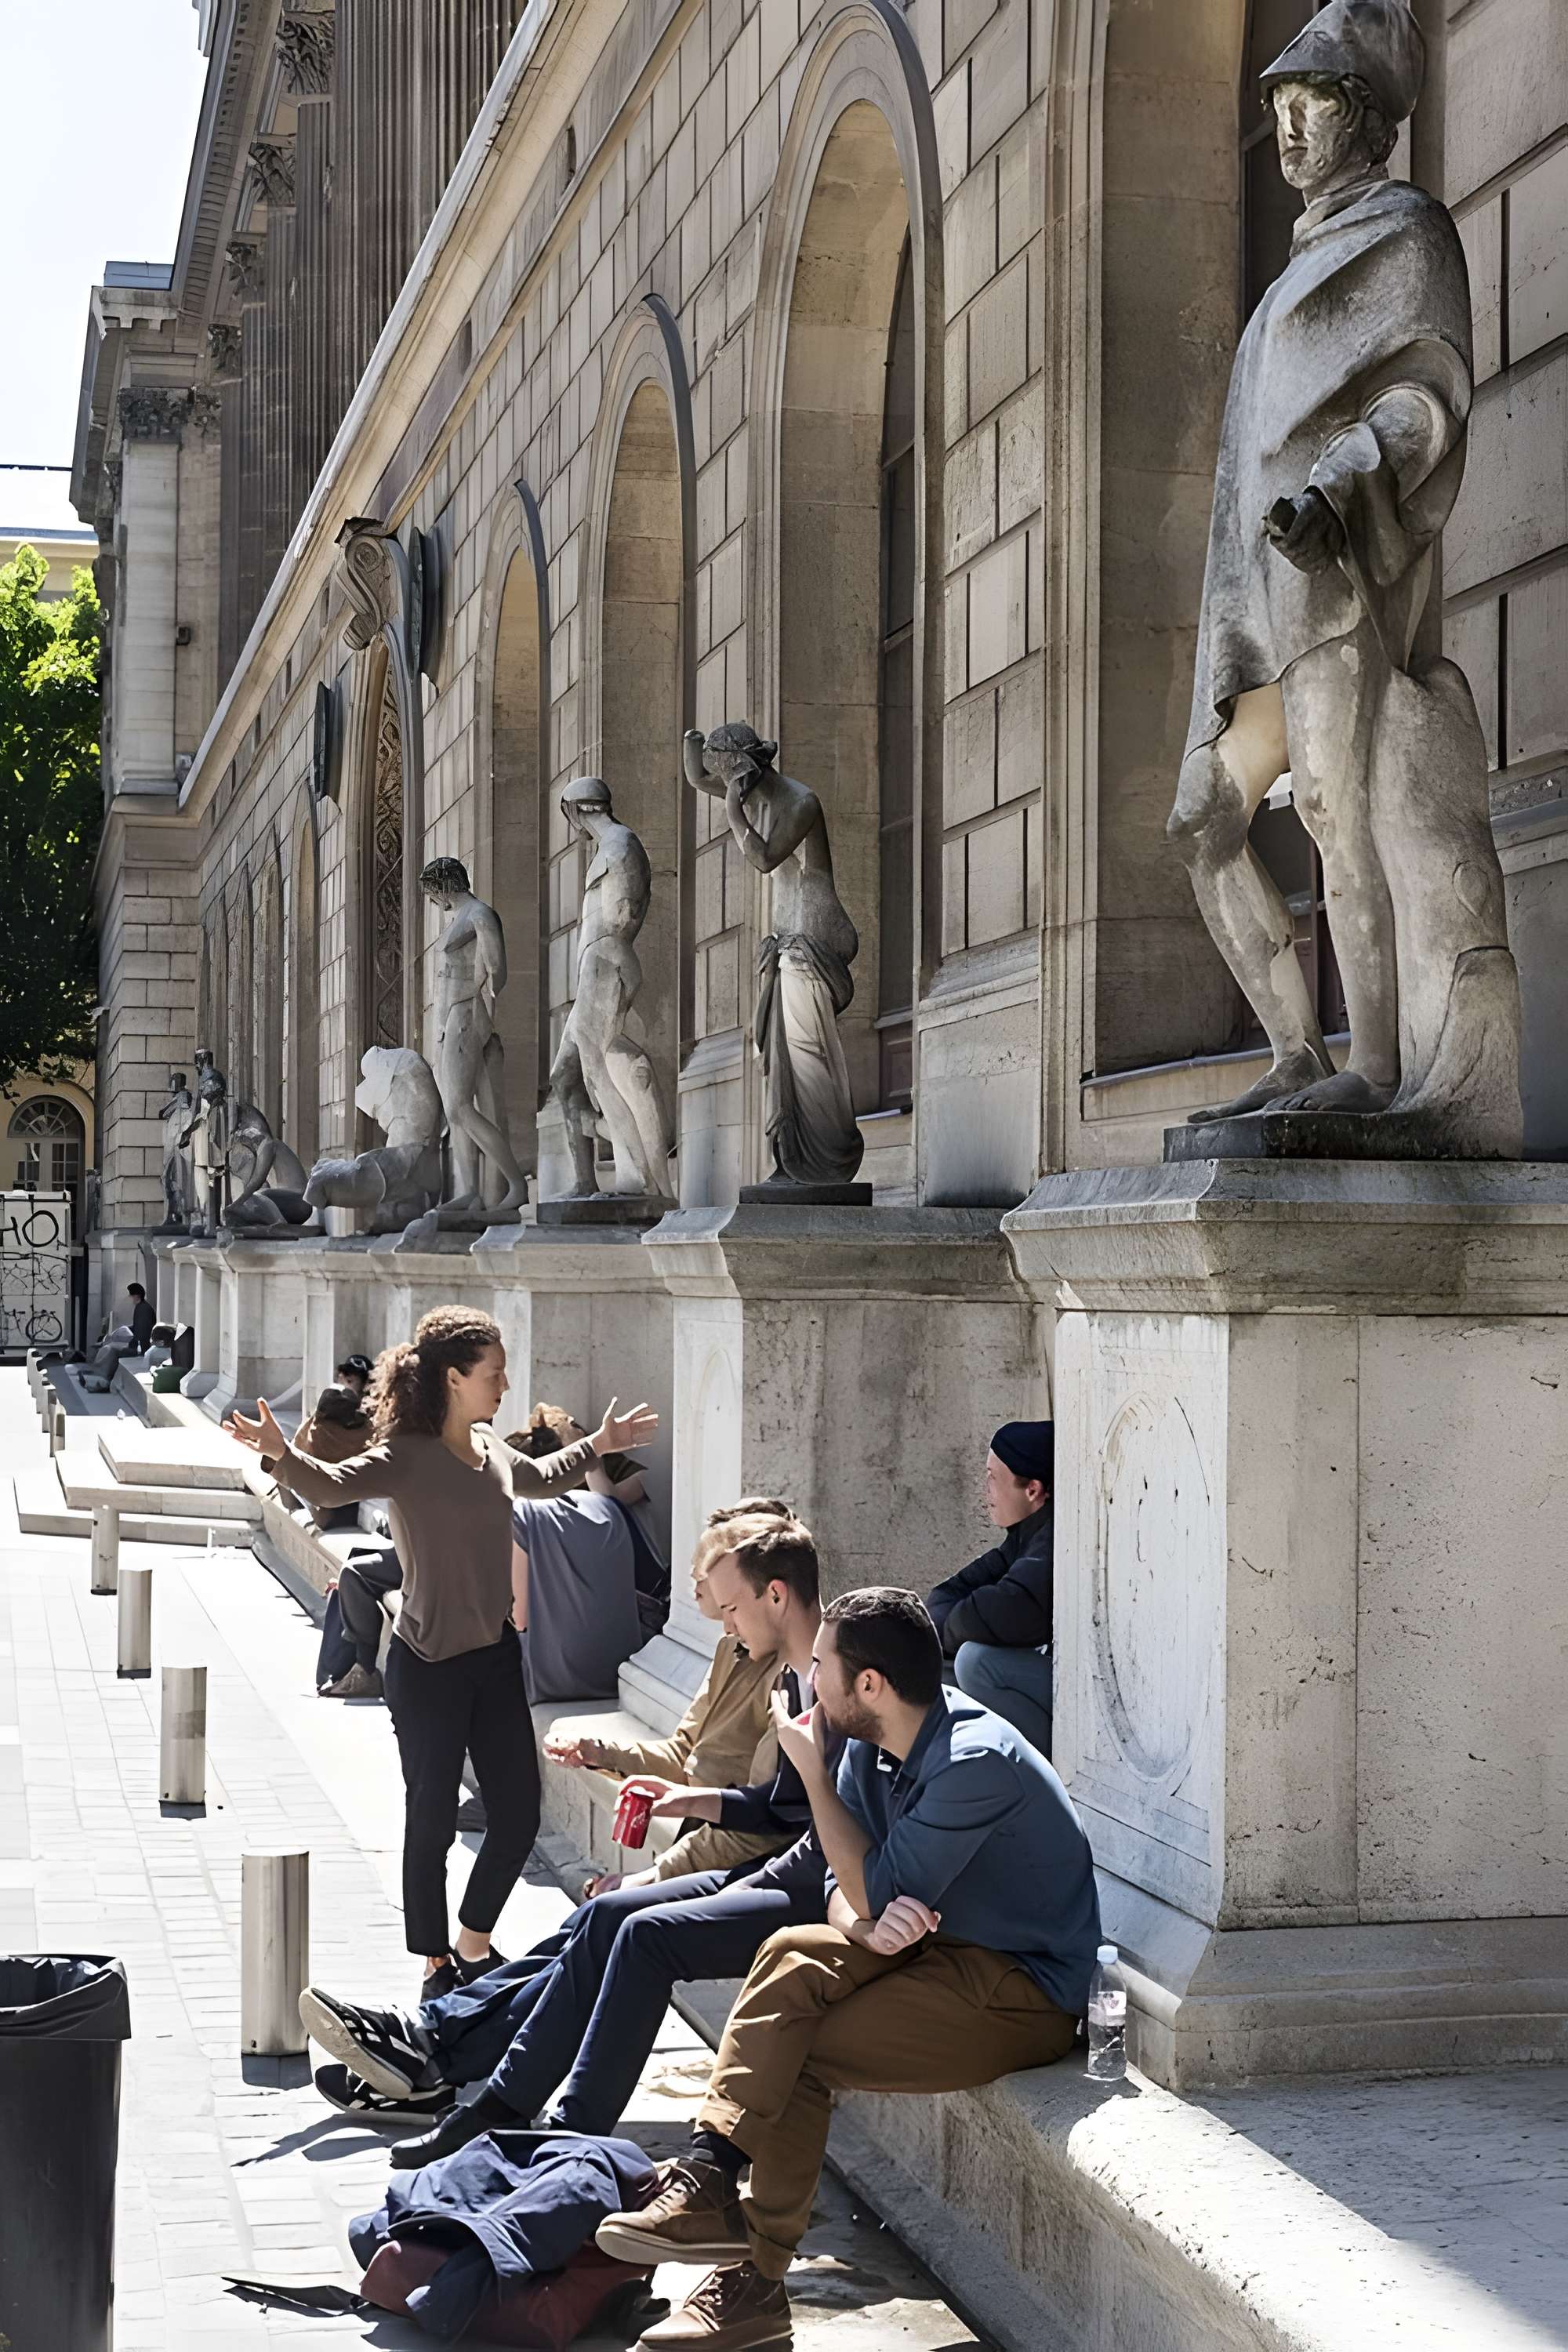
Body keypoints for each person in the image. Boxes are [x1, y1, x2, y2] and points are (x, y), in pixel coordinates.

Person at [593, 1586, 1102, 2352]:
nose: (804, 1679)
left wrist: (817, 1782)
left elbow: (867, 1876)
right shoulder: (868, 1747)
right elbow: (837, 1888)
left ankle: (755, 2282)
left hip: (1019, 1988)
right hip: (929, 1949)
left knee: (794, 2046)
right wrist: (863, 1919)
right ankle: (705, 2179)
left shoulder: (973, 1763)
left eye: (820, 1666)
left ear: (868, 1686)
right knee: (788, 1953)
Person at [297, 1516, 830, 2164]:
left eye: (726, 1604)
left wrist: (654, 1871)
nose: (718, 1620)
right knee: (598, 1924)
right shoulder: (746, 1657)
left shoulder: (808, 1679)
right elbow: (699, 1764)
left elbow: (770, 1823)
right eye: (708, 1598)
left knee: (616, 1925)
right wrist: (600, 1750)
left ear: (773, 1595)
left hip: (769, 1872)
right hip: (745, 1858)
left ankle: (450, 2065)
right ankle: (443, 2057)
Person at [225, 1307, 658, 1996]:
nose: (505, 1384)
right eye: (493, 1373)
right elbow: (332, 1486)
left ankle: (474, 1943)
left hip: (495, 1660)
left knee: (517, 1813)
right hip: (428, 1670)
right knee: (428, 1820)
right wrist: (277, 1450)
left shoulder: (489, 1446)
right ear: (454, 1378)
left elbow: (542, 1478)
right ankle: (434, 1962)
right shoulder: (409, 1453)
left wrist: (598, 1442)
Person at [547, 1497, 793, 1899]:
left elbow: (761, 1820)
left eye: (705, 1573)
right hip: (699, 1838)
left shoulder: (790, 1678)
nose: (695, 1583)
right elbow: (685, 1755)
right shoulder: (730, 1649)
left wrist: (651, 1877)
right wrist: (597, 1751)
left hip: (739, 1863)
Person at [510, 1403, 668, 1702]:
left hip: (647, 1606)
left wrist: (592, 1452)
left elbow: (613, 1500)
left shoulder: (627, 1480)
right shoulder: (546, 1512)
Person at [926, 1418, 1054, 1755]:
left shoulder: (1053, 1538)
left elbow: (1006, 1609)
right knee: (935, 1669)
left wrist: (947, 1631)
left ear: (1032, 1490)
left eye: (992, 1478)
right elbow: (943, 1598)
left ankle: (1042, 1767)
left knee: (975, 1662)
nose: (987, 1490)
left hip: (1079, 1707)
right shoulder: (1022, 1538)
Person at [80, 1282, 157, 1390]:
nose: (130, 1298)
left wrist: (136, 1345)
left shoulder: (143, 1309)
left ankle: (100, 1378)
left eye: (131, 1295)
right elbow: (138, 1327)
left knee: (111, 1350)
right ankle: (96, 1373)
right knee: (107, 1346)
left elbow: (143, 1332)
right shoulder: (142, 1307)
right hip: (138, 1345)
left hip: (140, 1348)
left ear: (136, 1296)